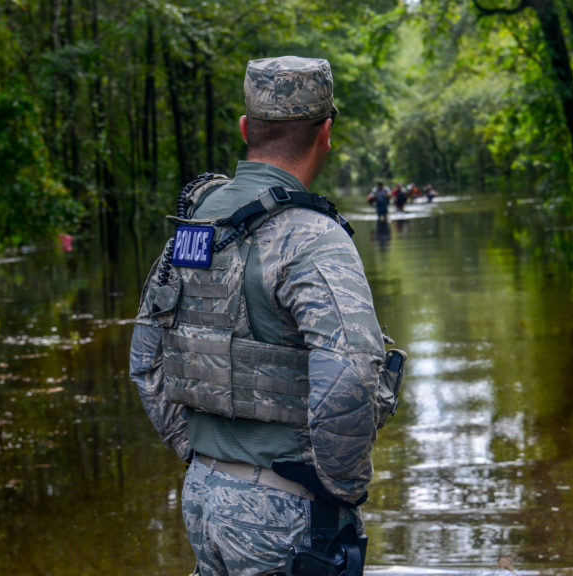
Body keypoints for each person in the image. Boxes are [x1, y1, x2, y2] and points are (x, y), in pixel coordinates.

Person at [130, 56, 403, 576]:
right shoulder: (313, 236)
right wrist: (338, 489)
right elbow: (349, 377)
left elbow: (146, 360)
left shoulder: (195, 226)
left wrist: (199, 455)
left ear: (244, 129)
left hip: (202, 497)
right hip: (286, 510)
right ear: (326, 132)